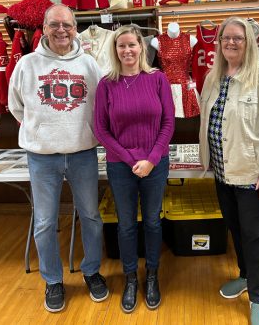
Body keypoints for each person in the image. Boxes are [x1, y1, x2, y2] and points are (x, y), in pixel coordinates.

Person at [8, 4, 108, 313]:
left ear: (75, 27)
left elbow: (102, 104)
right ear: (45, 27)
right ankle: (53, 280)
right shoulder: (26, 64)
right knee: (45, 221)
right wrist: (40, 130)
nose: (61, 30)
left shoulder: (90, 65)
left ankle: (92, 271)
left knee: (90, 215)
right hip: (42, 157)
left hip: (82, 153)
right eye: (54, 24)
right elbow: (16, 106)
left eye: (66, 24)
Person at [199, 17, 259, 325]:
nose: (231, 42)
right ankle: (245, 275)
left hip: (252, 175)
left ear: (249, 42)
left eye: (238, 38)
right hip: (223, 172)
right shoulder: (214, 77)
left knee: (256, 235)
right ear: (219, 42)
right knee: (237, 230)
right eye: (226, 38)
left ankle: (258, 296)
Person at [94, 25, 175, 313]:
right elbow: (101, 130)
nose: (127, 50)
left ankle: (151, 275)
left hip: (155, 163)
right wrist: (130, 161)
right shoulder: (106, 84)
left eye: (132, 45)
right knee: (126, 224)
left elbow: (168, 123)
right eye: (121, 46)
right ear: (114, 50)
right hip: (120, 165)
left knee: (152, 222)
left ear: (141, 47)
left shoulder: (158, 79)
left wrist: (151, 159)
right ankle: (130, 278)